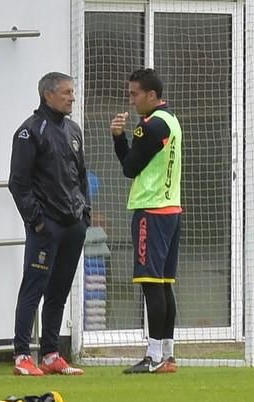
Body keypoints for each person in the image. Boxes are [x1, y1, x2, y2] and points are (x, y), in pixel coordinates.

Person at [8, 72, 90, 376]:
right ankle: (21, 356)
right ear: (48, 95)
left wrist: (85, 215)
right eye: (67, 92)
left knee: (59, 289)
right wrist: (38, 222)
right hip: (47, 227)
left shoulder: (73, 130)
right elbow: (18, 182)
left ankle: (51, 353)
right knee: (34, 287)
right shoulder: (30, 132)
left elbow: (81, 176)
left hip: (73, 225)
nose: (72, 97)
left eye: (72, 92)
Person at [110, 68, 182, 374]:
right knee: (164, 284)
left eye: (134, 94)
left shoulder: (150, 127)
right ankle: (168, 354)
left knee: (152, 284)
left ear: (152, 95)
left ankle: (153, 356)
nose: (132, 100)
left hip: (151, 210)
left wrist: (117, 138)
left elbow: (129, 167)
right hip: (172, 209)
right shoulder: (172, 120)